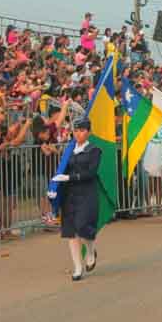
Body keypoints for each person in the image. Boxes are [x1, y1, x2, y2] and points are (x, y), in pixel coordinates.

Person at [50, 119, 102, 281]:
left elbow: (91, 173)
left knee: (82, 226)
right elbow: (61, 168)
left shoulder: (94, 150)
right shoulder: (69, 150)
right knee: (71, 231)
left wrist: (69, 177)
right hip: (69, 193)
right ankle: (78, 267)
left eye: (82, 130)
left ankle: (91, 250)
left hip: (87, 192)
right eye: (76, 130)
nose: (78, 133)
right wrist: (53, 188)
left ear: (89, 132)